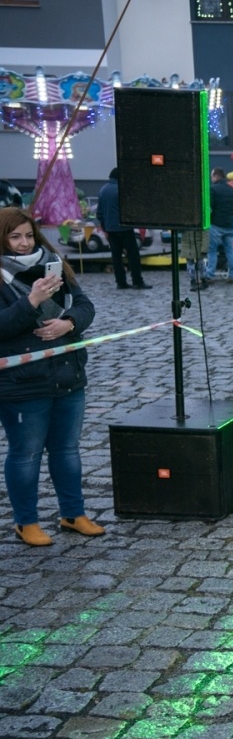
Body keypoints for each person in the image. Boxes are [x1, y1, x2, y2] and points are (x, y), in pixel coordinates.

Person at [0, 208, 101, 547]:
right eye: (15, 237)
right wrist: (32, 301)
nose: (24, 243)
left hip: (67, 373)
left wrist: (68, 322)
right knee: (25, 453)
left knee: (67, 449)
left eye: (28, 235)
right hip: (22, 382)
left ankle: (73, 513)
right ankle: (25, 521)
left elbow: (85, 305)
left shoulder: (53, 263)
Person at [94, 168, 149, 290]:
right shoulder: (122, 190)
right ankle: (137, 281)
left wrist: (105, 228)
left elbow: (99, 213)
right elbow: (129, 210)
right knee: (133, 255)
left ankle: (120, 282)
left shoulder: (103, 190)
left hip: (110, 230)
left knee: (116, 257)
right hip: (124, 228)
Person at [208, 167, 233, 284]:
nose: (211, 179)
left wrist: (210, 220)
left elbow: (209, 208)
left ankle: (210, 275)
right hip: (230, 225)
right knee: (230, 251)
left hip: (216, 225)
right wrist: (231, 217)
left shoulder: (213, 189)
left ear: (216, 176)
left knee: (212, 251)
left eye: (212, 176)